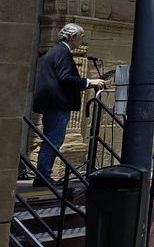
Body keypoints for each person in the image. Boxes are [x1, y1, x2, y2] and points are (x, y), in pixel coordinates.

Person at [31, 23, 105, 185]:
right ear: (72, 37)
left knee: (51, 138)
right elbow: (65, 77)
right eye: (81, 37)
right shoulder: (62, 52)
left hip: (52, 103)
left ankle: (42, 175)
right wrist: (88, 81)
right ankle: (43, 176)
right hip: (57, 103)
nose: (82, 40)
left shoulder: (57, 50)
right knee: (54, 139)